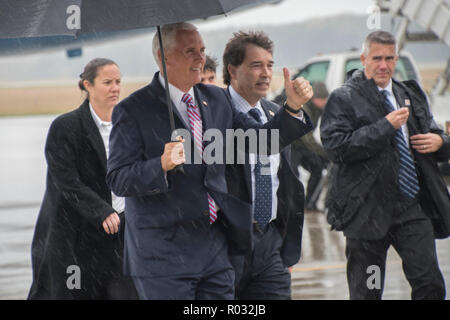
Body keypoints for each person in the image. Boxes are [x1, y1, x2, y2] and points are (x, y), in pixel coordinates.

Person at [106, 22, 313, 300]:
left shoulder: (215, 100)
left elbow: (263, 142)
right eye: (190, 51)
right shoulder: (132, 110)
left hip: (214, 253)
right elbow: (118, 179)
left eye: (202, 50)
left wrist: (292, 108)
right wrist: (161, 165)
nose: (200, 58)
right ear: (164, 58)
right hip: (162, 257)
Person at [320, 31, 450, 300]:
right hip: (367, 213)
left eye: (389, 58)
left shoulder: (409, 94)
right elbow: (336, 148)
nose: (383, 65)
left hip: (411, 209)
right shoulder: (344, 98)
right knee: (368, 290)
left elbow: (435, 132)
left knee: (430, 285)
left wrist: (440, 141)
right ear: (363, 59)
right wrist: (385, 127)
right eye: (377, 58)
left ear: (396, 59)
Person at [28, 58, 138, 299]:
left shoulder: (127, 126)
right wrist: (102, 211)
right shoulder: (65, 127)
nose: (115, 88)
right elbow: (66, 181)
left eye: (118, 82)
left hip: (120, 237)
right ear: (87, 85)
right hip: (75, 240)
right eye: (107, 82)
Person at [222, 30, 311, 299]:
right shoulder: (214, 112)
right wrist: (292, 110)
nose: (265, 73)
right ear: (233, 70)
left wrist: (284, 242)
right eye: (256, 65)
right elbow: (262, 141)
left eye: (270, 65)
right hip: (227, 245)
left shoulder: (274, 112)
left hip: (270, 241)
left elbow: (284, 180)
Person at [290, 82, 329, 211]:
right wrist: (324, 152)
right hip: (290, 144)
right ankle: (291, 206)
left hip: (303, 146)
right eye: (321, 99)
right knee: (292, 175)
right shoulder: (303, 108)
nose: (324, 102)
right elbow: (307, 137)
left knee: (317, 169)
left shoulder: (320, 108)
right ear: (314, 98)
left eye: (325, 99)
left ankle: (310, 203)